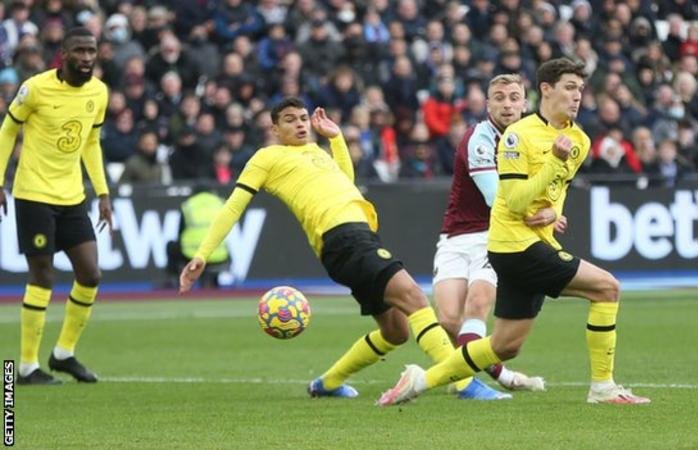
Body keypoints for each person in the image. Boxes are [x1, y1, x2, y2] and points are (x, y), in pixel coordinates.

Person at [180, 97, 506, 400]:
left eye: (304, 118)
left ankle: (328, 383)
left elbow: (346, 183)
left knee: (395, 331)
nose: (300, 124)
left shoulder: (318, 152)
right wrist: (202, 254)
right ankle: (463, 382)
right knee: (415, 298)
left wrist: (335, 139)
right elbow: (233, 206)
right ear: (275, 129)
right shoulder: (267, 157)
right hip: (343, 237)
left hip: (357, 238)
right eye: (290, 120)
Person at [379, 58, 651, 406]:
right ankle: (603, 387)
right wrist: (553, 160)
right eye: (570, 87)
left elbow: (557, 190)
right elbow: (515, 201)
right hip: (513, 244)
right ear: (546, 91)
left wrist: (555, 211)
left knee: (504, 345)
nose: (577, 96)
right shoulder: (516, 136)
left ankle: (420, 381)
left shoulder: (578, 139)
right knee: (607, 288)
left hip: (535, 241)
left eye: (580, 89)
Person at [0, 27, 113, 385]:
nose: (86, 57)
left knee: (90, 274)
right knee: (43, 275)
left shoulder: (99, 92)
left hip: (72, 195)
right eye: (79, 50)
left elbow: (91, 143)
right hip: (34, 193)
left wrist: (103, 192)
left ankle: (63, 353)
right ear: (63, 54)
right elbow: (7, 130)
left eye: (91, 50)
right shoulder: (35, 88)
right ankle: (28, 366)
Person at [433, 73, 545, 392]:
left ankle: (469, 385)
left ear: (525, 103)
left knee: (478, 301)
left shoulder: (533, 140)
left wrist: (547, 210)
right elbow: (497, 198)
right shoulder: (478, 139)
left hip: (494, 236)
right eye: (499, 97)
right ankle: (503, 376)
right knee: (449, 321)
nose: (507, 104)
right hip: (456, 236)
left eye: (513, 97)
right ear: (487, 104)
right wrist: (539, 213)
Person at [165, 187, 229, 288]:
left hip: (192, 254)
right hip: (218, 253)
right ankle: (214, 281)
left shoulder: (189, 204)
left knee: (171, 246)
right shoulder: (220, 202)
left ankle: (176, 283)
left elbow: (180, 232)